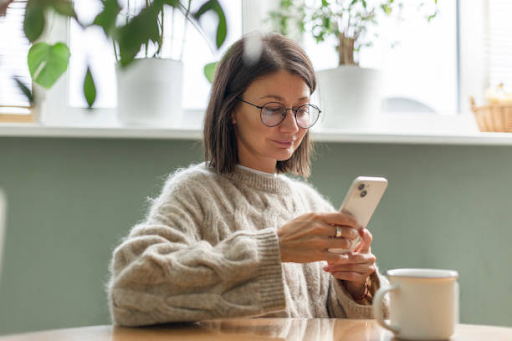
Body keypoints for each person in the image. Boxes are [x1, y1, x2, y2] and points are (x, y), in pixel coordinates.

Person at [107, 33, 388, 327]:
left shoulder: (310, 203)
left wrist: (357, 289)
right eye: (273, 109)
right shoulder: (195, 193)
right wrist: (274, 248)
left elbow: (346, 326)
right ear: (231, 111)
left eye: (301, 109)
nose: (292, 126)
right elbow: (130, 291)